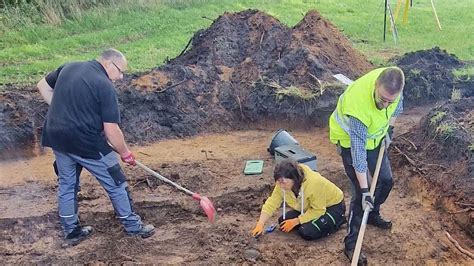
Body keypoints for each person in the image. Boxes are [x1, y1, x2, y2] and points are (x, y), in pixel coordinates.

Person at [37, 48, 155, 245]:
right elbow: (111, 130)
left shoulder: (69, 67)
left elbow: (42, 85)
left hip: (57, 136)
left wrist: (62, 111)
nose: (120, 77)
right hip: (86, 142)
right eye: (120, 71)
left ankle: (71, 231)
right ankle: (133, 227)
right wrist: (125, 153)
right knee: (116, 181)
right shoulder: (103, 85)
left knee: (67, 184)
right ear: (109, 64)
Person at [329, 67, 404, 264]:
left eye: (390, 100)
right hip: (350, 142)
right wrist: (365, 190)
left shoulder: (395, 85)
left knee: (386, 181)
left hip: (375, 138)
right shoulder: (358, 107)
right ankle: (351, 245)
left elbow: (397, 106)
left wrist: (390, 130)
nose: (385, 104)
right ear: (376, 86)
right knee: (361, 195)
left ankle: (372, 213)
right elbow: (358, 155)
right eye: (382, 99)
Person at [251, 159, 346, 241]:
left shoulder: (314, 183)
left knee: (306, 232)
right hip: (309, 207)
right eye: (278, 182)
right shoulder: (282, 183)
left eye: (284, 183)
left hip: (332, 206)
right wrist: (260, 223)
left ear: (294, 179)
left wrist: (296, 221)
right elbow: (272, 202)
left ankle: (338, 220)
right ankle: (310, 222)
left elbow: (319, 210)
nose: (281, 186)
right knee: (283, 221)